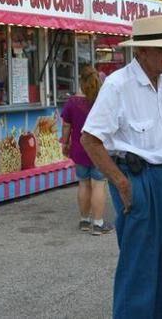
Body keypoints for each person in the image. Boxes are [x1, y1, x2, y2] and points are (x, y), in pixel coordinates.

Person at [81, 15, 162, 319]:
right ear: (140, 51)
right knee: (139, 268)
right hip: (137, 177)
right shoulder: (118, 84)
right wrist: (122, 183)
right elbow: (90, 139)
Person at [60, 65, 112, 236]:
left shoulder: (72, 102)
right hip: (98, 149)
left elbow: (66, 126)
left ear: (81, 81)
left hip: (79, 149)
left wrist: (65, 143)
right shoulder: (103, 101)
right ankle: (98, 224)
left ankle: (84, 220)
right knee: (98, 184)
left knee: (83, 183)